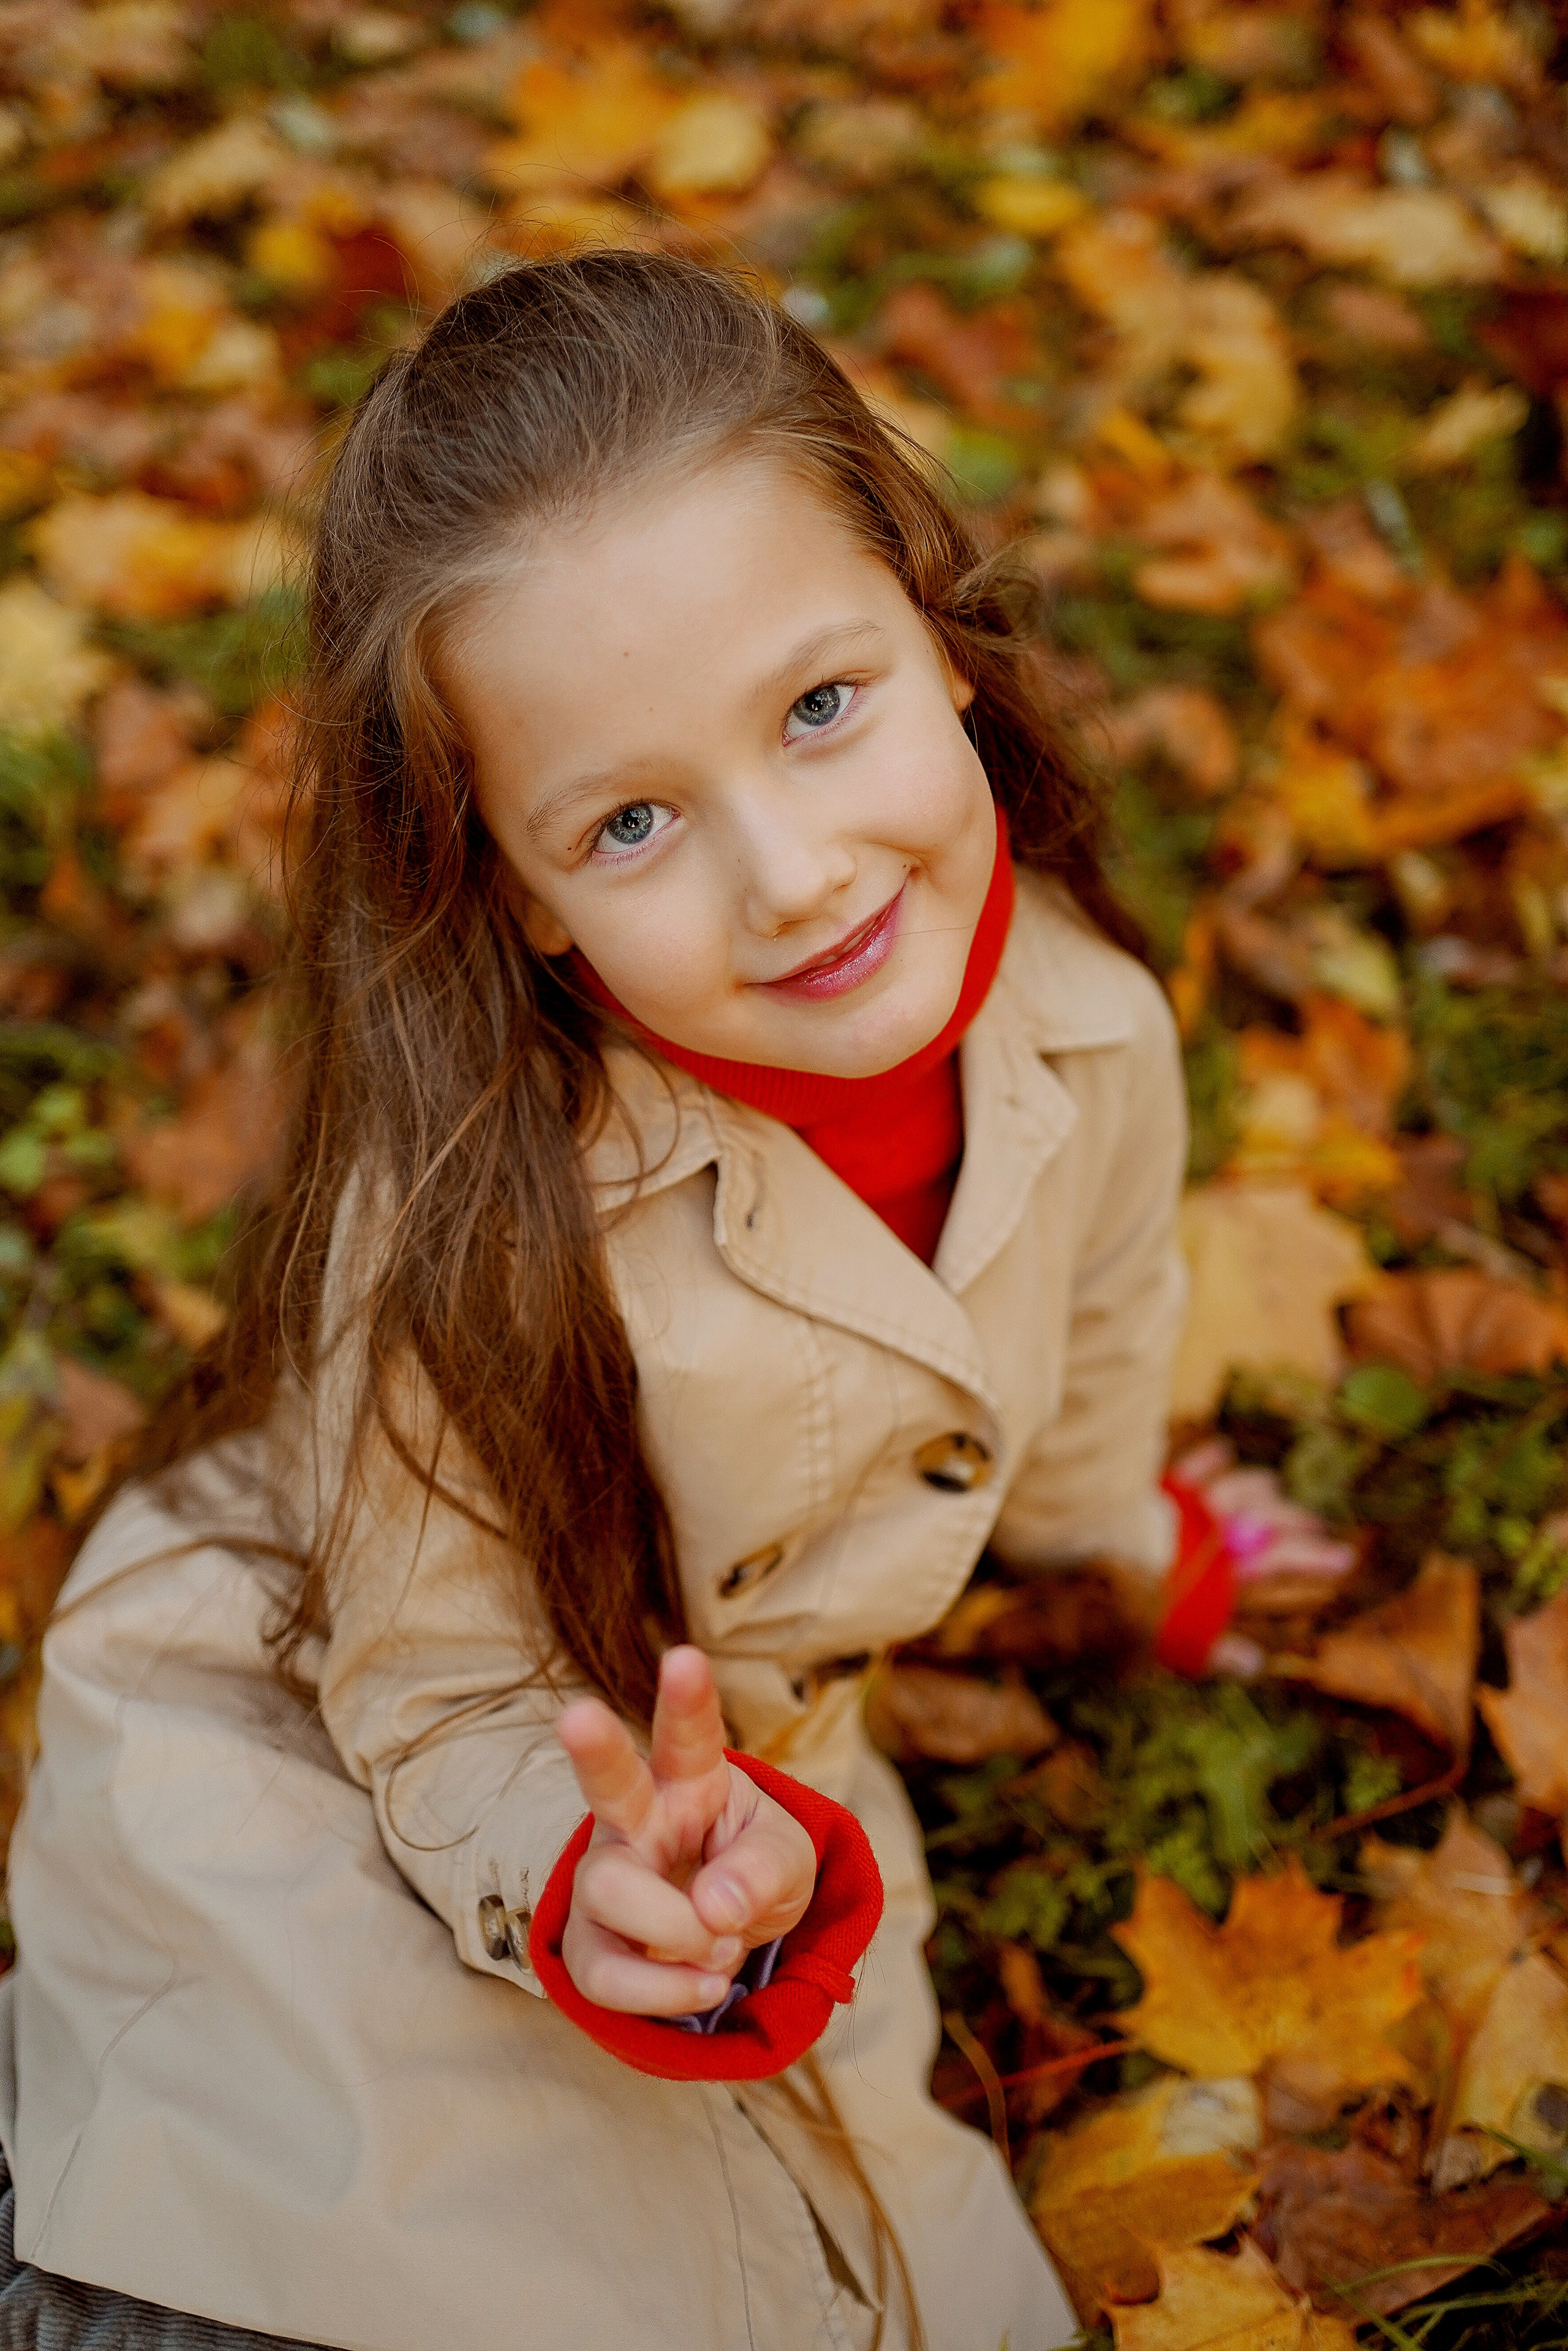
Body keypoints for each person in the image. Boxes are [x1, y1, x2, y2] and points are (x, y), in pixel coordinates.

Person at [0, 252, 1350, 2351]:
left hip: (754, 1787)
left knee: (874, 2296)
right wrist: (573, 1874)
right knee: (283, 2213)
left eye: (822, 707)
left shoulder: (1093, 1036)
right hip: (360, 1728)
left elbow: (1094, 1338)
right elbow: (435, 1685)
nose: (792, 870)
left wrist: (1135, 1547)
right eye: (631, 821)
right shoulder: (466, 1211)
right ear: (519, 892)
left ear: (943, 631)